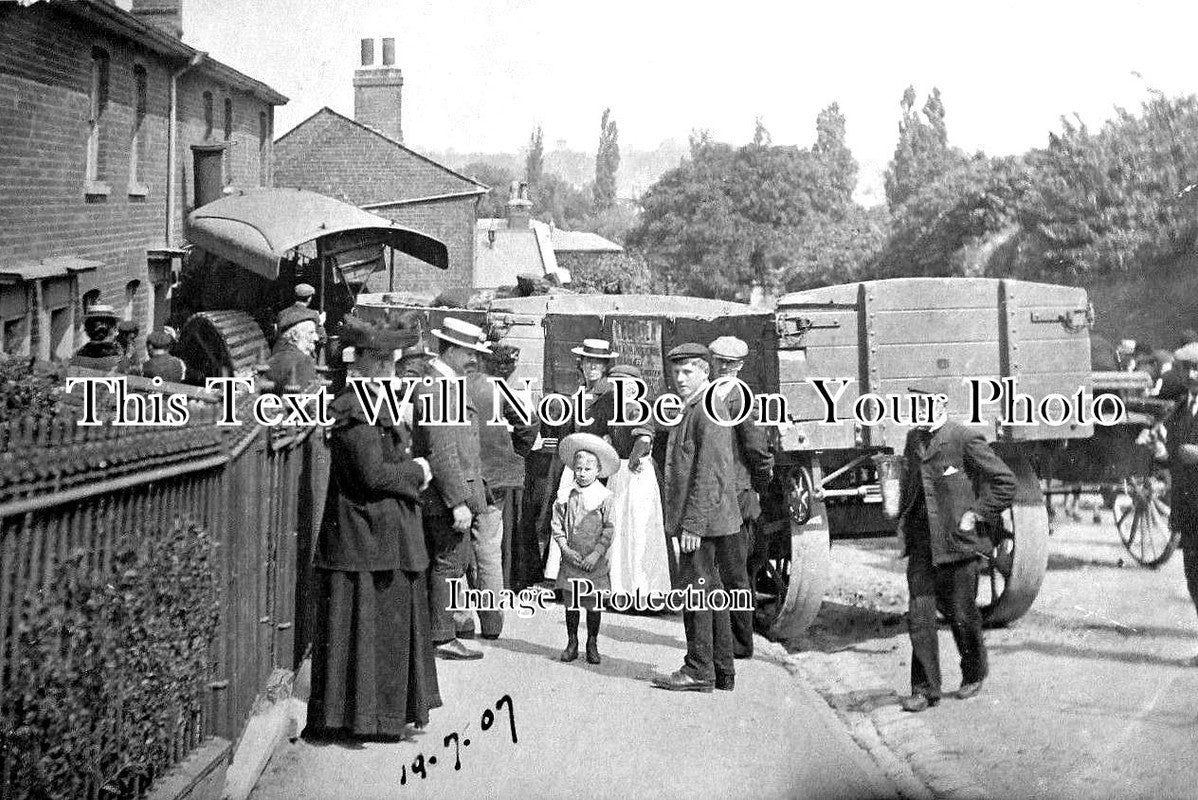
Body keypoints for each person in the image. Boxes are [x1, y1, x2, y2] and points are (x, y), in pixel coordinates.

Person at [305, 317, 439, 740]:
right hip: (365, 535)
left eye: (391, 359)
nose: (390, 368)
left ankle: (379, 718)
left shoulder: (368, 402)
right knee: (371, 629)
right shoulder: (354, 408)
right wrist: (417, 472)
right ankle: (367, 721)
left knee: (382, 630)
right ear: (361, 361)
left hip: (379, 535)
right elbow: (370, 476)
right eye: (382, 359)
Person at [895, 389, 1016, 712]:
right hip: (923, 543)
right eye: (915, 405)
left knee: (962, 615)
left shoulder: (964, 438)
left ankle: (974, 672)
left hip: (957, 544)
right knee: (919, 617)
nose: (919, 410)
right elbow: (912, 487)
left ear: (942, 404)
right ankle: (924, 689)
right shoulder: (913, 440)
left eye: (926, 404)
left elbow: (1005, 481)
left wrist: (976, 512)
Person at [651, 343, 742, 693]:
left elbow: (710, 472)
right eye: (676, 372)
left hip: (704, 521)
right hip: (708, 519)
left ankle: (698, 669)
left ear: (706, 372)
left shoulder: (708, 408)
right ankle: (721, 670)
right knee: (711, 590)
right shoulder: (698, 407)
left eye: (688, 371)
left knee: (696, 592)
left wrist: (693, 524)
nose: (680, 378)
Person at [412, 317, 491, 661]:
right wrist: (457, 501)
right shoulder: (439, 387)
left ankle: (438, 632)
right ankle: (441, 637)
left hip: (447, 492)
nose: (473, 359)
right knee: (447, 563)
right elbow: (442, 451)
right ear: (453, 350)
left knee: (447, 563)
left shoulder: (446, 382)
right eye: (469, 352)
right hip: (445, 496)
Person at [454, 350, 537, 640]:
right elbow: (529, 425)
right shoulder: (497, 389)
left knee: (454, 550)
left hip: (458, 480)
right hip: (495, 482)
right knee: (488, 551)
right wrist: (513, 453)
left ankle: (462, 621)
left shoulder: (447, 386)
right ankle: (492, 623)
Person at [708, 336, 775, 659]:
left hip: (737, 496)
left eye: (729, 364)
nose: (722, 368)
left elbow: (757, 450)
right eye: (718, 361)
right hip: (717, 496)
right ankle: (724, 638)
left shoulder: (740, 399)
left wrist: (757, 485)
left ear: (739, 367)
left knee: (736, 573)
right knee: (720, 572)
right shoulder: (710, 395)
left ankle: (741, 643)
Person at [602, 363, 673, 599]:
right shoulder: (621, 408)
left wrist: (632, 458)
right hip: (622, 472)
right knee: (623, 529)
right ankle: (625, 589)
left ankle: (643, 590)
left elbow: (643, 439)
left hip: (635, 474)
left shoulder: (636, 408)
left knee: (638, 530)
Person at [552, 433, 620, 665]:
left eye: (587, 469)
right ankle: (572, 641)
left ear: (598, 471)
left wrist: (596, 553)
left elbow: (609, 529)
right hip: (572, 558)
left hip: (594, 561)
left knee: (593, 604)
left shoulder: (604, 497)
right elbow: (557, 525)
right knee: (571, 603)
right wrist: (564, 548)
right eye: (578, 468)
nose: (581, 473)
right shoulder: (565, 495)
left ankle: (592, 642)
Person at [1165, 344, 1198, 666]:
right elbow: (1174, 451)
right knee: (1193, 577)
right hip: (1188, 507)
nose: (1192, 376)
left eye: (1197, 369)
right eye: (1186, 369)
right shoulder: (1181, 406)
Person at [266, 318, 319, 392]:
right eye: (311, 333)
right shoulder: (304, 361)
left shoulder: (276, 356)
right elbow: (305, 399)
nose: (316, 338)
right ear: (295, 335)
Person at [72, 304, 122, 370]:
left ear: (87, 331)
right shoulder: (117, 360)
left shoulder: (78, 356)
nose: (117, 333)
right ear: (111, 329)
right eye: (115, 328)